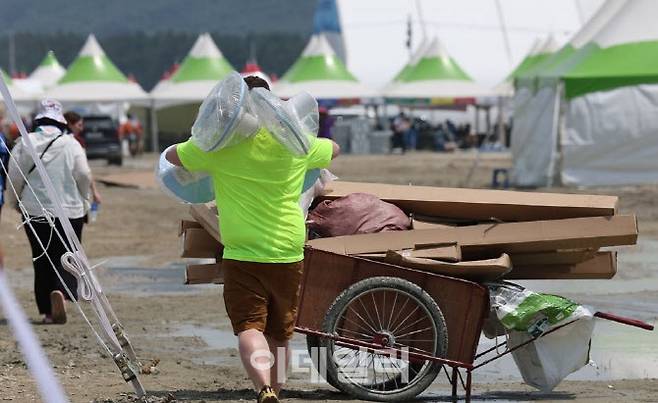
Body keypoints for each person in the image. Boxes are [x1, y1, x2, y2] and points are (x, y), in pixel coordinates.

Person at [165, 76, 339, 403]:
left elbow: (174, 157)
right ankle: (279, 390)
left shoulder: (221, 147)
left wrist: (205, 133)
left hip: (242, 251)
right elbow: (334, 150)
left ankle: (264, 388)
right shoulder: (295, 143)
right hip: (288, 249)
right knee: (280, 333)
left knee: (249, 327)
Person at [7, 99, 91, 325]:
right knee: (68, 255)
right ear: (61, 121)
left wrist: (15, 203)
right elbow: (83, 175)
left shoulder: (25, 142)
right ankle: (62, 293)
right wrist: (86, 201)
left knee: (41, 257)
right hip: (70, 211)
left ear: (38, 120)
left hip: (34, 210)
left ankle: (46, 311)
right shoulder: (72, 144)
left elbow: (14, 178)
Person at [64, 111, 102, 207]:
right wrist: (94, 191)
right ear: (69, 124)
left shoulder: (55, 139)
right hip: (74, 193)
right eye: (79, 125)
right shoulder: (78, 142)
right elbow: (85, 171)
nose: (82, 128)